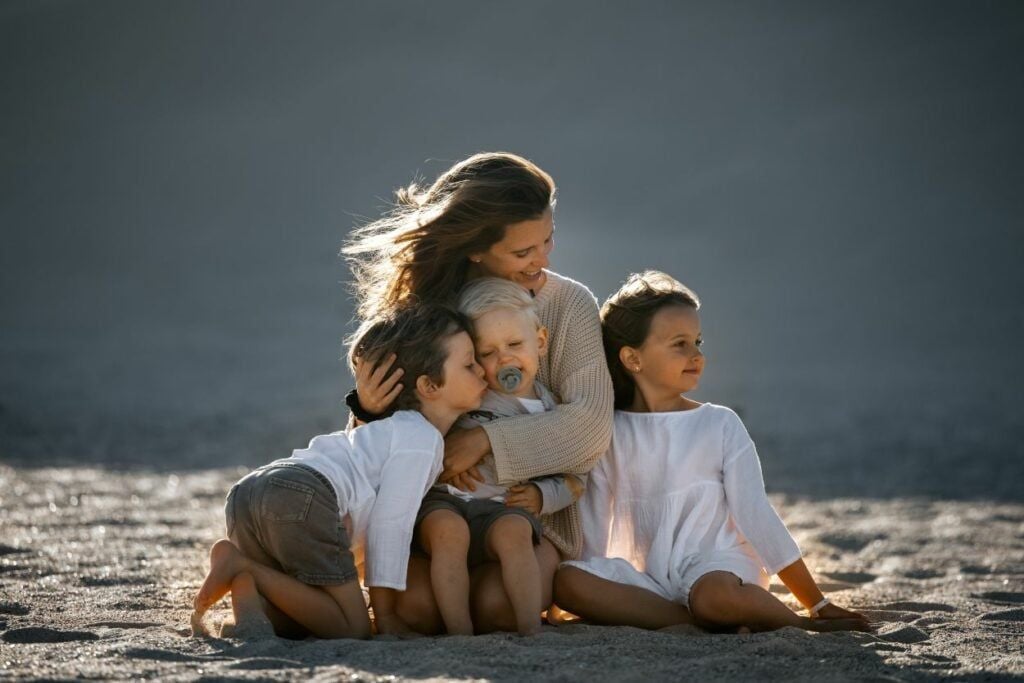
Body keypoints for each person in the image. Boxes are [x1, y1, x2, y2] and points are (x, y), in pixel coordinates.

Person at [342, 152, 614, 633]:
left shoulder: (569, 303)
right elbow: (369, 443)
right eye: (523, 251)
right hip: (432, 513)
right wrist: (365, 408)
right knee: (418, 611)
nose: (542, 260)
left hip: (523, 514)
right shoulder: (425, 311)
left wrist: (484, 442)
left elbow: (590, 426)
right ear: (475, 249)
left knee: (498, 610)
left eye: (548, 240)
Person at [554, 271, 871, 633]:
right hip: (651, 578)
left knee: (714, 597)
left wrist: (816, 601)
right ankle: (692, 622)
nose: (697, 355)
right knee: (568, 582)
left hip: (716, 566)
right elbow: (595, 526)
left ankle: (798, 623)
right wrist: (595, 580)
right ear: (632, 358)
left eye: (698, 342)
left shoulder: (718, 424)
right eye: (680, 344)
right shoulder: (609, 431)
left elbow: (756, 514)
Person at [191, 304, 487, 639]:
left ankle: (248, 596)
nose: (483, 371)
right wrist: (387, 614)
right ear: (429, 386)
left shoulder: (384, 430)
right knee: (355, 627)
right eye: (469, 364)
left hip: (249, 494)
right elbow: (389, 525)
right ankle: (243, 567)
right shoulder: (421, 437)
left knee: (307, 618)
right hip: (303, 496)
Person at [415, 277, 587, 635]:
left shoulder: (552, 411)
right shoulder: (470, 395)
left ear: (539, 342)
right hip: (447, 503)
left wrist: (542, 496)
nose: (504, 358)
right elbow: (424, 434)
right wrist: (442, 463)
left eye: (513, 344)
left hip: (500, 511)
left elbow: (575, 479)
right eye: (487, 353)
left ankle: (530, 628)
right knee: (448, 532)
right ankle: (459, 630)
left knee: (515, 532)